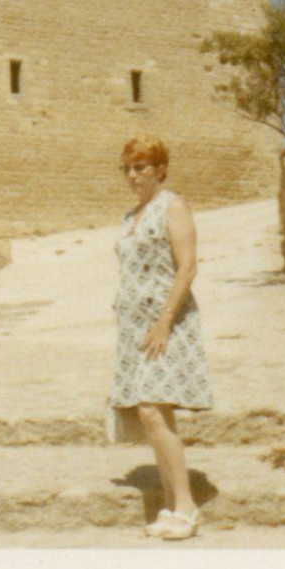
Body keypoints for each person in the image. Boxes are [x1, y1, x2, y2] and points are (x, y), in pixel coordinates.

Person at [110, 134, 212, 540]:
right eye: (128, 169)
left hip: (166, 324)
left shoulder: (174, 206)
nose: (133, 176)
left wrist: (164, 321)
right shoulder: (129, 217)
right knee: (150, 414)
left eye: (141, 167)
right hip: (134, 328)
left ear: (160, 170)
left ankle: (186, 506)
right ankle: (171, 506)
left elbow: (186, 267)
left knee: (154, 410)